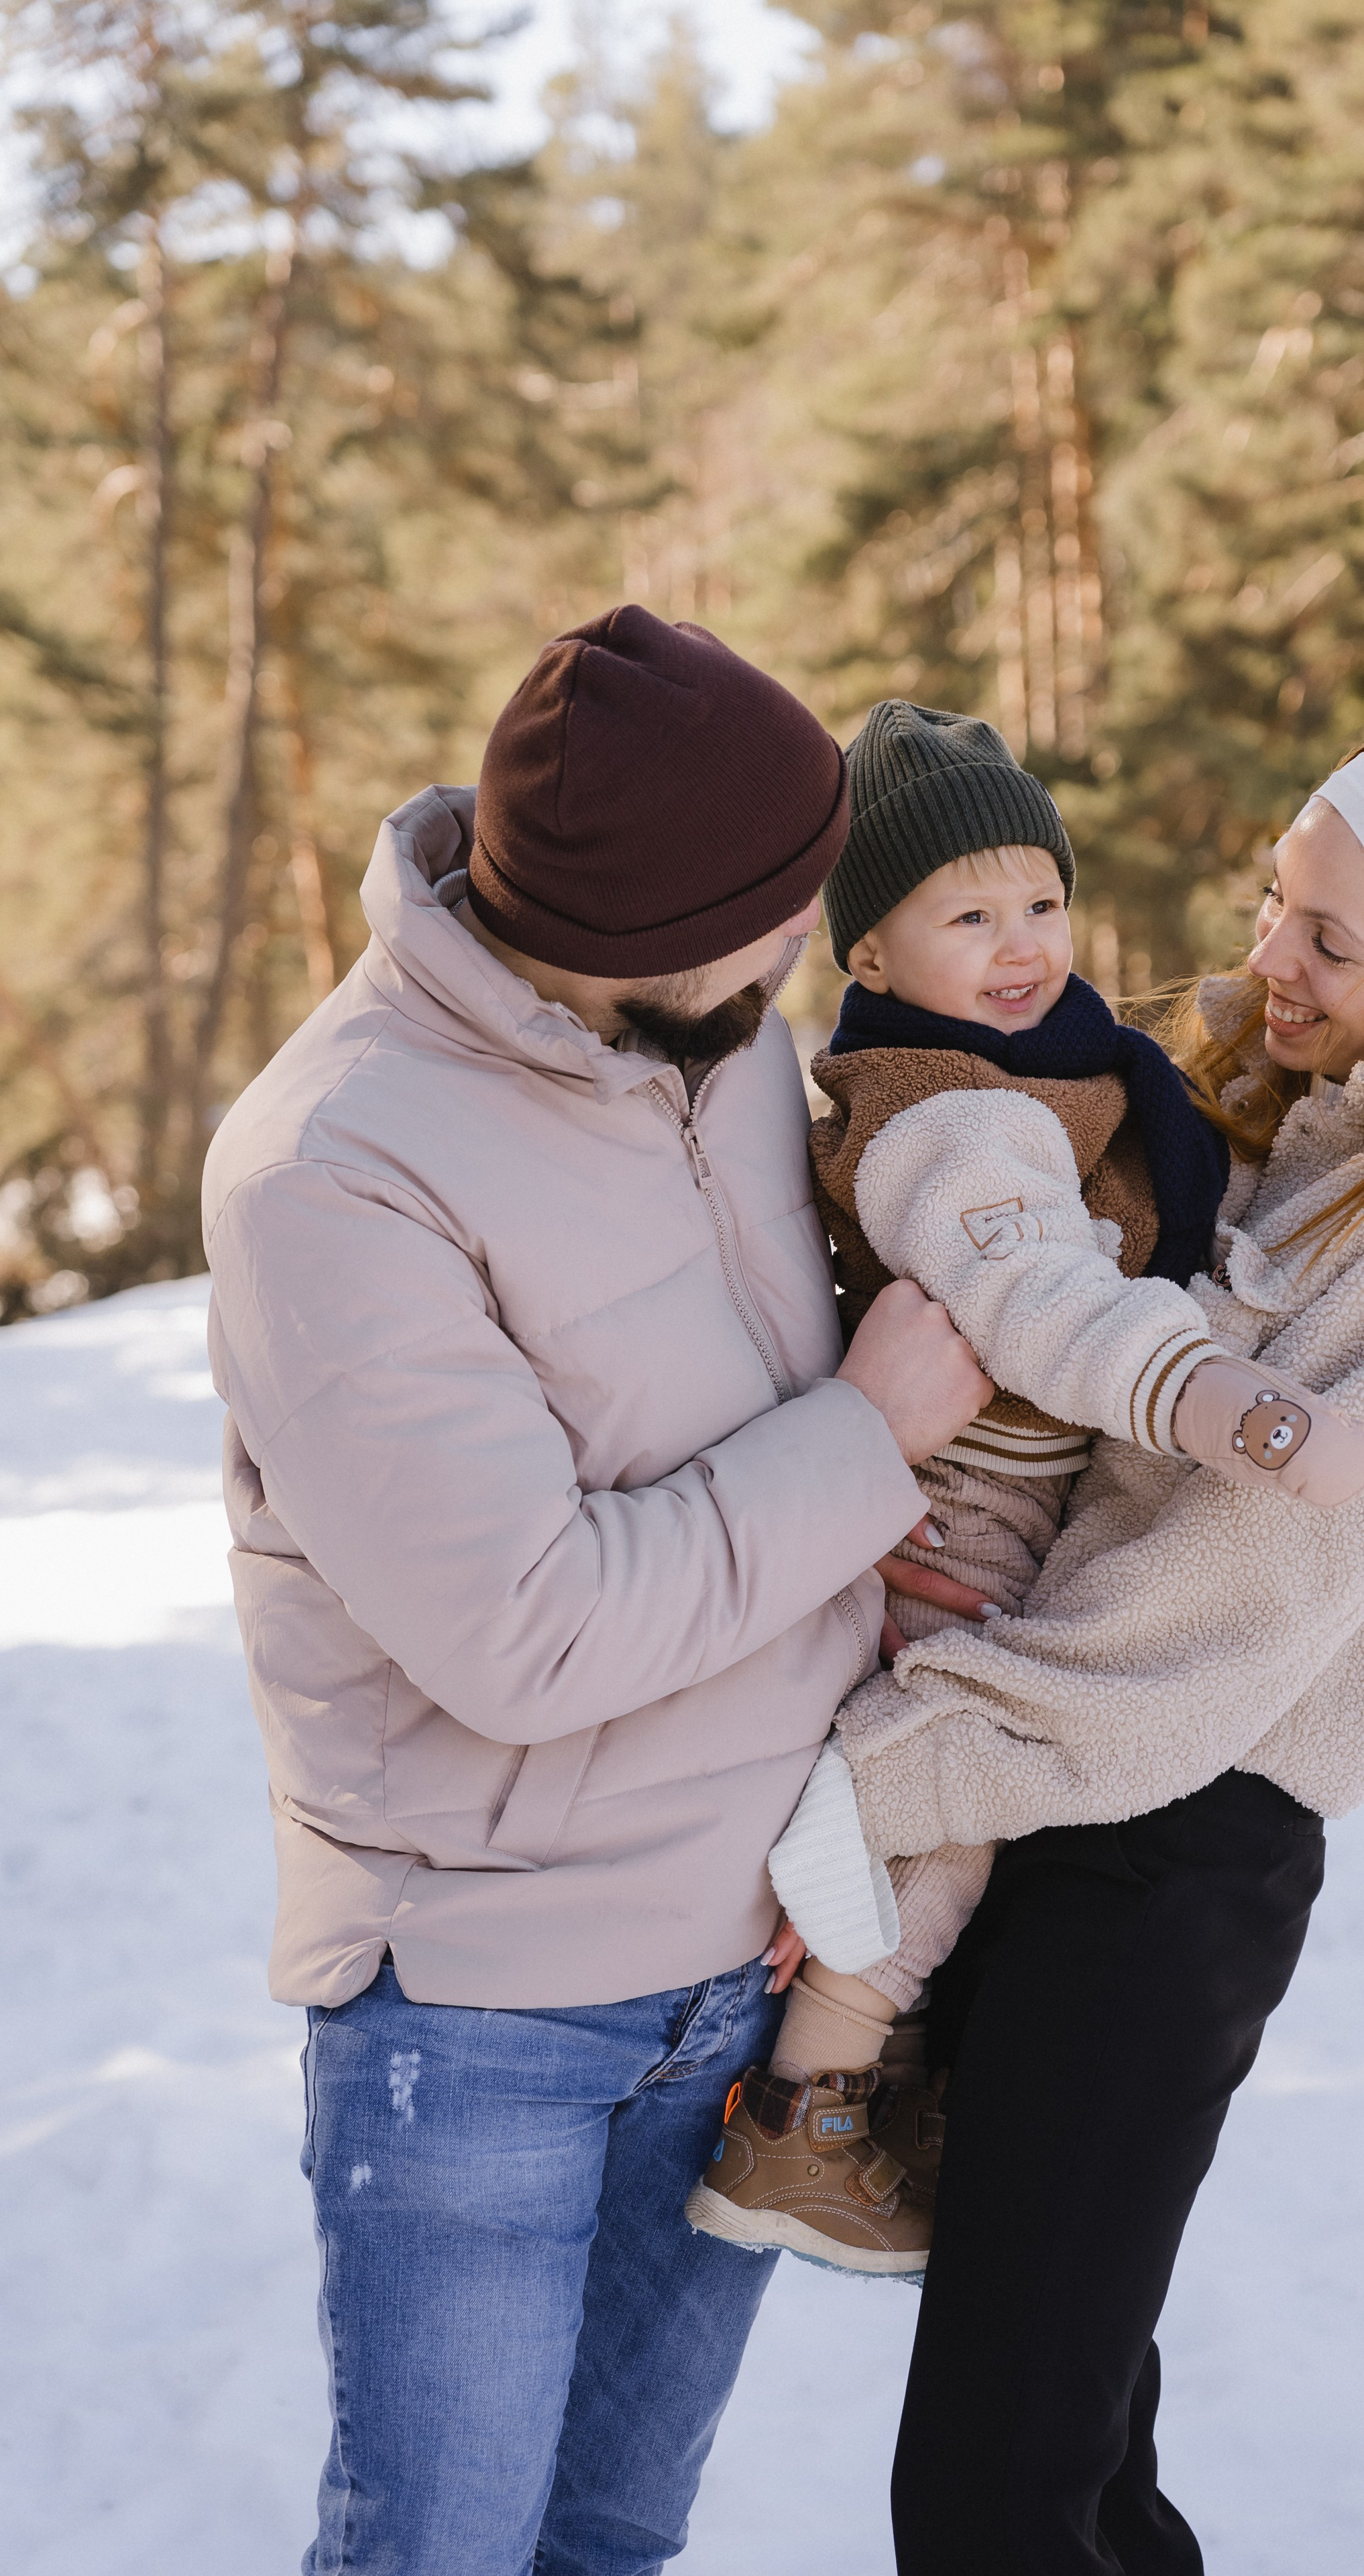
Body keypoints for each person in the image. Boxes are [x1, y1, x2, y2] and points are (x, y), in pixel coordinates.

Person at [201, 606, 989, 2576]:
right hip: (484, 2016)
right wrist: (871, 1437)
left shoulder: (716, 1037)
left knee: (615, 2538)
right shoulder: (334, 1167)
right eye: (781, 916)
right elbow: (528, 1633)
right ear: (637, 941)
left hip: (748, 1964)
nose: (806, 943)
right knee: (444, 2559)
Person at [804, 727, 1364, 2572]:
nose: (1272, 958)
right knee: (1075, 2460)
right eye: (1277, 902)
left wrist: (874, 1777)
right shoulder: (1293, 1123)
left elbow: (1211, 1606)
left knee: (999, 2491)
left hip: (1165, 1847)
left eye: (1331, 941)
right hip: (1079, 1803)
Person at [685, 702, 1364, 2277]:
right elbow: (1036, 1299)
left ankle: (873, 2062)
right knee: (964, 1803)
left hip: (994, 1506)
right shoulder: (945, 1112)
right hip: (956, 1526)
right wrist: (1221, 1399)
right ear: (865, 958)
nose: (1019, 945)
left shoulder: (1054, 1067)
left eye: (1040, 904)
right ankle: (810, 2111)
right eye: (968, 915)